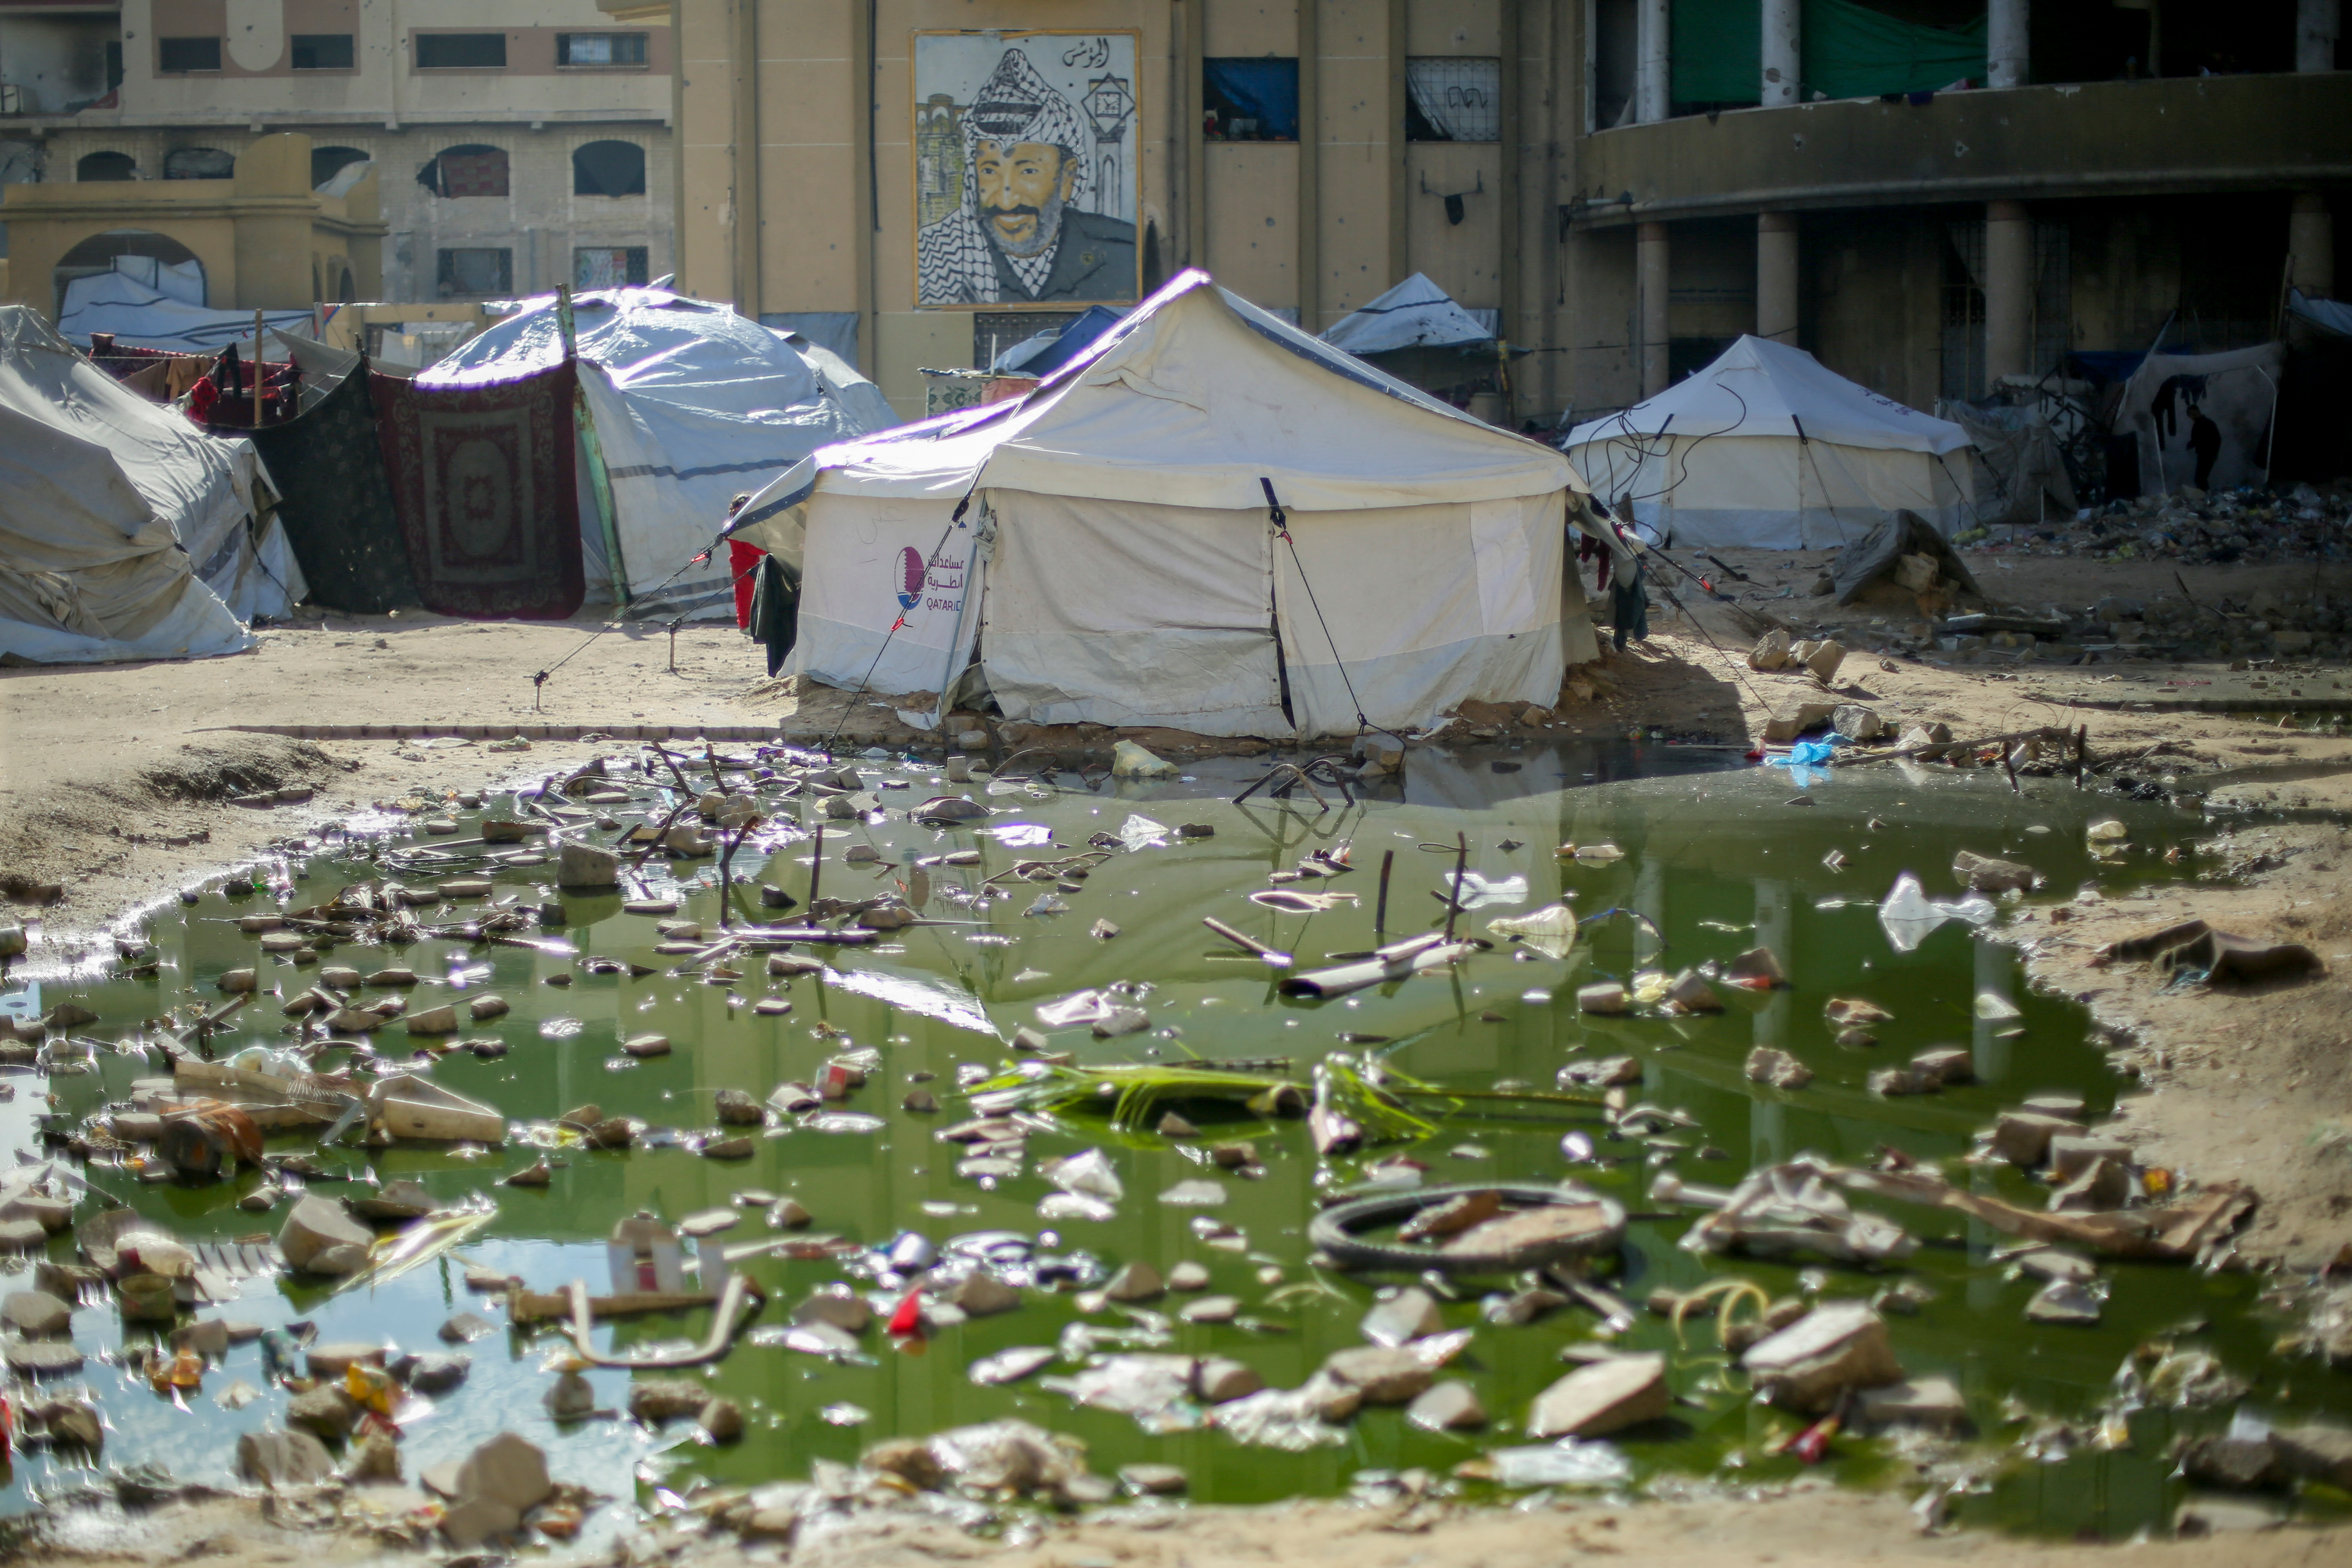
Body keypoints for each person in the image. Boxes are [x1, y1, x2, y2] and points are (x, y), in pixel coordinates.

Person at [916, 49, 1136, 306]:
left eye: (1027, 171)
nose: (1007, 199)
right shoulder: (938, 251)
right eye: (990, 171)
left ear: (1067, 178)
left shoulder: (1124, 250)